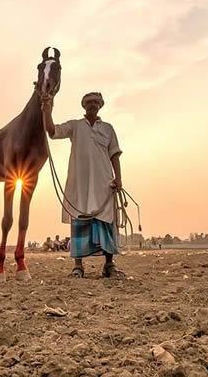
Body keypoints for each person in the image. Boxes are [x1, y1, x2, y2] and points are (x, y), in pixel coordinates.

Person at [43, 91, 124, 279]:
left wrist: (118, 178)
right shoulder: (75, 126)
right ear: (83, 105)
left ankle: (109, 264)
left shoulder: (108, 128)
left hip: (104, 182)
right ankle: (78, 266)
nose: (93, 104)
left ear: (101, 105)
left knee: (106, 221)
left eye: (96, 101)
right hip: (80, 183)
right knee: (79, 220)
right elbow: (52, 131)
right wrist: (47, 108)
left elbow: (115, 154)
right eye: (89, 102)